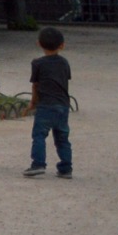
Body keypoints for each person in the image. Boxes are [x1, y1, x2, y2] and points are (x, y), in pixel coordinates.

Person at [25, 25, 73, 180]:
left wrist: (33, 102)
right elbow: (65, 81)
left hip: (46, 105)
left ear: (39, 43)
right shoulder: (64, 63)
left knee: (39, 135)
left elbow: (36, 85)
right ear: (62, 45)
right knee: (62, 137)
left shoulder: (38, 63)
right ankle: (66, 167)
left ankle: (38, 164)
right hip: (63, 105)